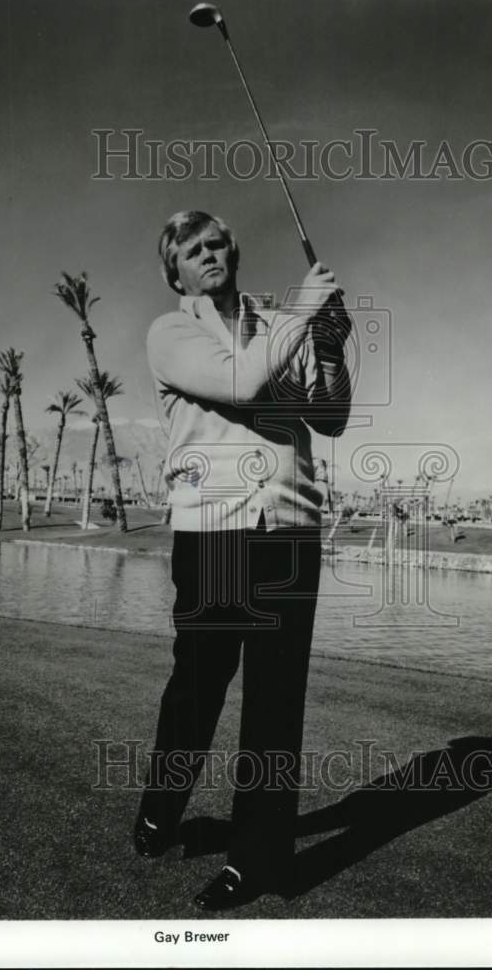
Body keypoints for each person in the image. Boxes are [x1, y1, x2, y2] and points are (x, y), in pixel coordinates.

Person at [135, 210, 352, 910]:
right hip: (213, 532)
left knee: (274, 699)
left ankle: (255, 858)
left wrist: (327, 346)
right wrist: (304, 312)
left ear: (233, 250)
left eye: (216, 242)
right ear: (175, 271)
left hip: (287, 530)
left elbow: (330, 416)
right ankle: (161, 809)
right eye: (191, 250)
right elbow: (241, 385)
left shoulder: (275, 323)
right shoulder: (170, 333)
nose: (207, 254)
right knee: (197, 686)